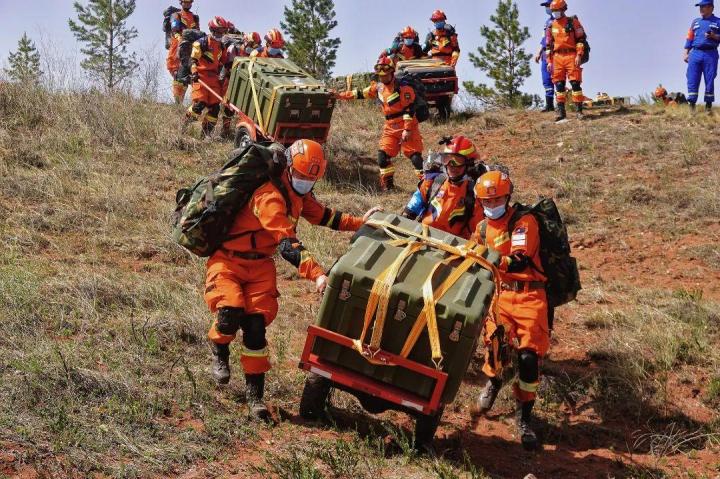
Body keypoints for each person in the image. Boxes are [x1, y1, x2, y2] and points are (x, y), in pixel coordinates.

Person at [205, 139, 381, 420]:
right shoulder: (269, 197)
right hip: (228, 261)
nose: (305, 182)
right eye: (300, 176)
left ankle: (255, 398)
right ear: (287, 169)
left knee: (255, 328)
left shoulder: (299, 194)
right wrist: (318, 274)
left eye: (311, 179)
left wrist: (361, 223)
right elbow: (288, 245)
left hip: (260, 266)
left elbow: (325, 216)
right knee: (230, 312)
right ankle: (219, 348)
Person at [469, 171, 550, 451]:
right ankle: (493, 382)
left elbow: (517, 262)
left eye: (498, 198)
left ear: (508, 196)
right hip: (500, 296)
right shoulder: (480, 229)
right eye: (486, 200)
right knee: (495, 348)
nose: (493, 204)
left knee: (528, 359)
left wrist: (484, 257)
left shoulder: (523, 222)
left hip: (529, 297)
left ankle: (525, 418)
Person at [336, 56, 425, 190]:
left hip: (408, 125)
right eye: (380, 76)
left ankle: (426, 185)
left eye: (385, 75)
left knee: (415, 157)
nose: (382, 78)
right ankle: (388, 186)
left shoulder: (403, 88)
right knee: (382, 157)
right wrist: (339, 95)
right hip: (390, 127)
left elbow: (409, 109)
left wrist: (407, 129)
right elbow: (359, 93)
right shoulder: (378, 88)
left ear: (391, 73)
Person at [401, 135, 485, 239]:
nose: (451, 165)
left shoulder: (474, 195)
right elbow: (411, 209)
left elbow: (476, 232)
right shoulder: (433, 182)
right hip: (423, 236)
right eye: (447, 159)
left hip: (452, 247)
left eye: (458, 160)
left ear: (469, 163)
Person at [185, 17, 232, 138]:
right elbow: (192, 60)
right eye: (218, 31)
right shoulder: (201, 43)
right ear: (212, 30)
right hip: (200, 78)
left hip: (214, 80)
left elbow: (225, 63)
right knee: (199, 105)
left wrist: (229, 72)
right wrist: (194, 72)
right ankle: (184, 127)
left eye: (222, 32)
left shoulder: (222, 47)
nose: (220, 34)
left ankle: (204, 135)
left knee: (215, 110)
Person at [545, 0, 588, 121]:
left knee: (575, 83)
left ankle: (579, 111)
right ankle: (561, 112)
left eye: (557, 10)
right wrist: (549, 61)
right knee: (559, 85)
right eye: (553, 11)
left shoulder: (573, 22)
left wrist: (579, 55)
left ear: (563, 9)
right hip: (557, 57)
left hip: (571, 55)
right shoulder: (551, 26)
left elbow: (581, 40)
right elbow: (548, 46)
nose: (555, 13)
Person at [684, 0, 720, 112]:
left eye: (703, 6)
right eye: (700, 7)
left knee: (709, 79)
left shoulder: (718, 21)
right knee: (692, 78)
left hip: (710, 53)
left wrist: (714, 36)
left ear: (711, 8)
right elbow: (689, 37)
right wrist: (685, 52)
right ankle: (692, 107)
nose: (701, 9)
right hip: (695, 53)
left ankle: (708, 107)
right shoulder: (695, 22)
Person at [166, 0, 199, 104]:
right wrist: (180, 39)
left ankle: (194, 105)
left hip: (191, 49)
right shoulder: (176, 15)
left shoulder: (195, 17)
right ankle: (178, 104)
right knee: (177, 75)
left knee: (194, 75)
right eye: (185, 2)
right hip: (177, 48)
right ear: (181, 3)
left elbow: (198, 32)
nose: (188, 4)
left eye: (189, 2)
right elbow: (174, 30)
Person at [535, 2, 556, 112]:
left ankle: (562, 105)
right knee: (546, 80)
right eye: (545, 6)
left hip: (556, 55)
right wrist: (538, 52)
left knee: (558, 79)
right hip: (544, 55)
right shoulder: (547, 22)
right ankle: (549, 105)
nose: (547, 8)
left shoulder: (560, 21)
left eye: (548, 5)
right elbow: (543, 39)